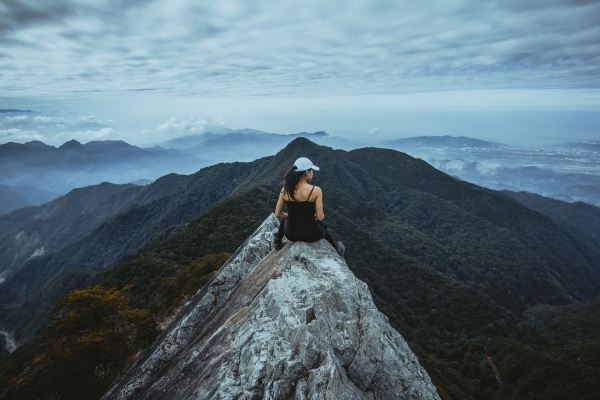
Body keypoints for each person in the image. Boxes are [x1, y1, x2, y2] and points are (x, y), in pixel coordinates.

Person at [274, 157, 345, 257]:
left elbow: (278, 214)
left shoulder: (285, 190)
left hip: (291, 234)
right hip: (311, 234)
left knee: (284, 220)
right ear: (307, 172)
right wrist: (314, 217)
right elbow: (320, 217)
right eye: (311, 171)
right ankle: (336, 248)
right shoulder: (316, 190)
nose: (312, 173)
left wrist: (292, 217)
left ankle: (277, 241)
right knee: (323, 225)